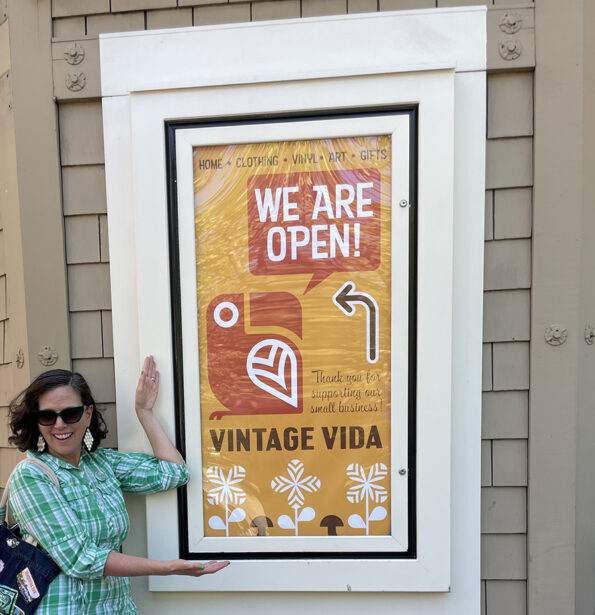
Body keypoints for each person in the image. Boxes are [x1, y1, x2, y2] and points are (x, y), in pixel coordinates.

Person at [7, 355, 229, 614]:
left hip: (116, 607)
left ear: (88, 414)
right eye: (47, 416)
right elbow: (81, 560)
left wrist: (145, 413)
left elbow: (174, 473)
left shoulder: (102, 464)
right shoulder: (31, 476)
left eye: (70, 414)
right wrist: (169, 567)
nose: (59, 425)